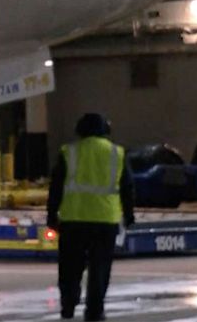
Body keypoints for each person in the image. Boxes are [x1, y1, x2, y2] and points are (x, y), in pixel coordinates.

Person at [47, 113, 135, 322]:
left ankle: (68, 303)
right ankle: (94, 311)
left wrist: (52, 215)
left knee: (69, 266)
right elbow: (127, 187)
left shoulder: (69, 152)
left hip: (73, 219)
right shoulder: (117, 153)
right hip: (105, 220)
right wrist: (129, 214)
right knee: (100, 268)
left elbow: (56, 187)